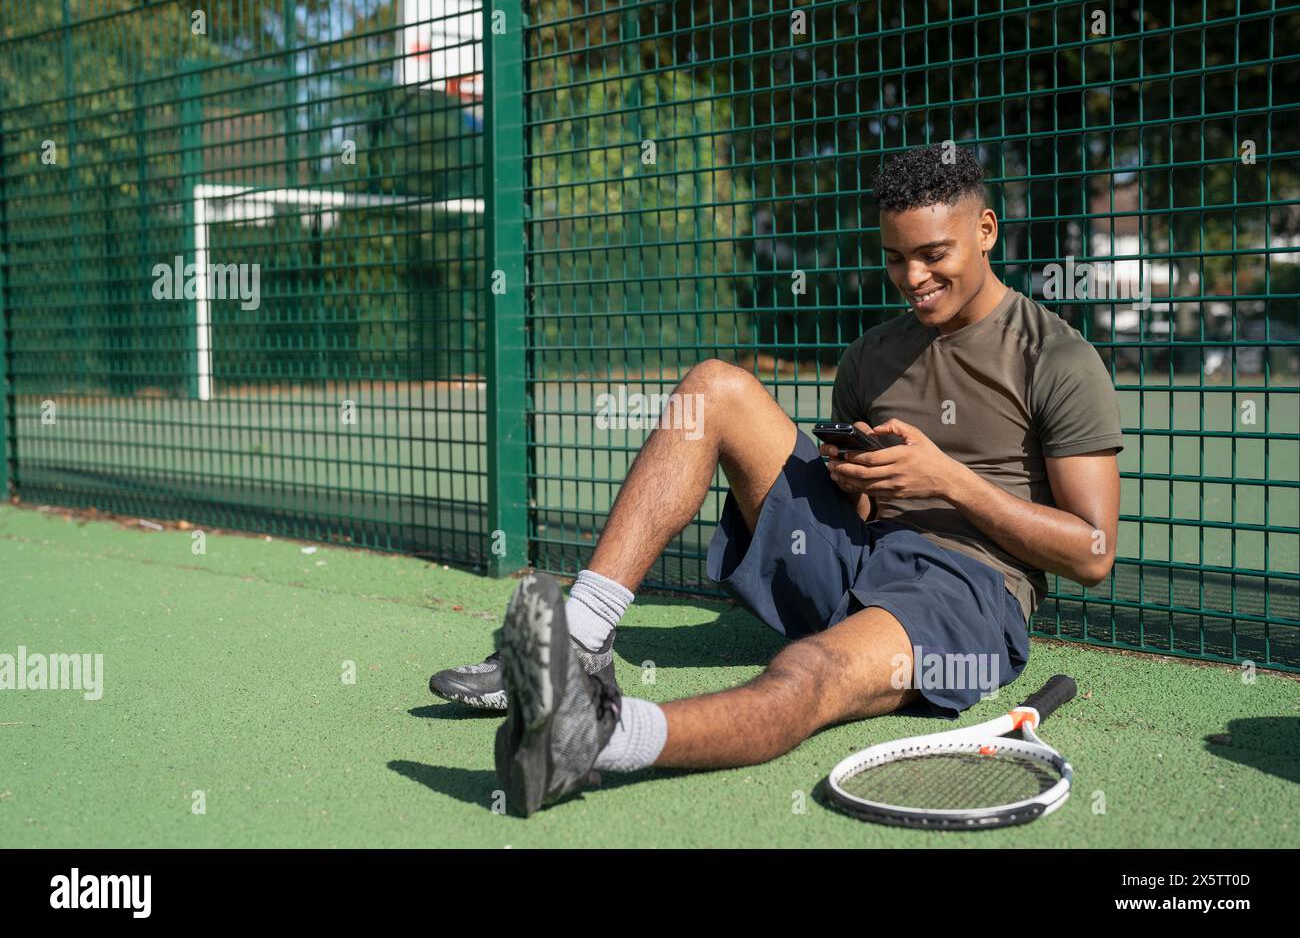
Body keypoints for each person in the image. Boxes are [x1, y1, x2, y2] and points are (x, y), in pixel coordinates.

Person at [429, 142, 1124, 816]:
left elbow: (1093, 555)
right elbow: (850, 494)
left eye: (933, 255)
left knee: (807, 674)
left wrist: (947, 480)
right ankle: (584, 638)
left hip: (963, 594)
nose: (913, 278)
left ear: (985, 230)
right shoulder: (870, 357)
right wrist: (852, 480)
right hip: (855, 555)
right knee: (715, 388)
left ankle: (600, 737)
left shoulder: (1057, 358)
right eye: (895, 259)